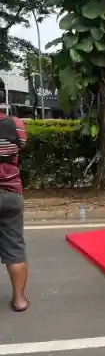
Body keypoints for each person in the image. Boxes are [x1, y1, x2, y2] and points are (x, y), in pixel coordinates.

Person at [0, 112, 28, 312]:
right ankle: (19, 300)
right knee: (15, 247)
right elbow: (22, 145)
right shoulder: (16, 124)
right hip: (11, 192)